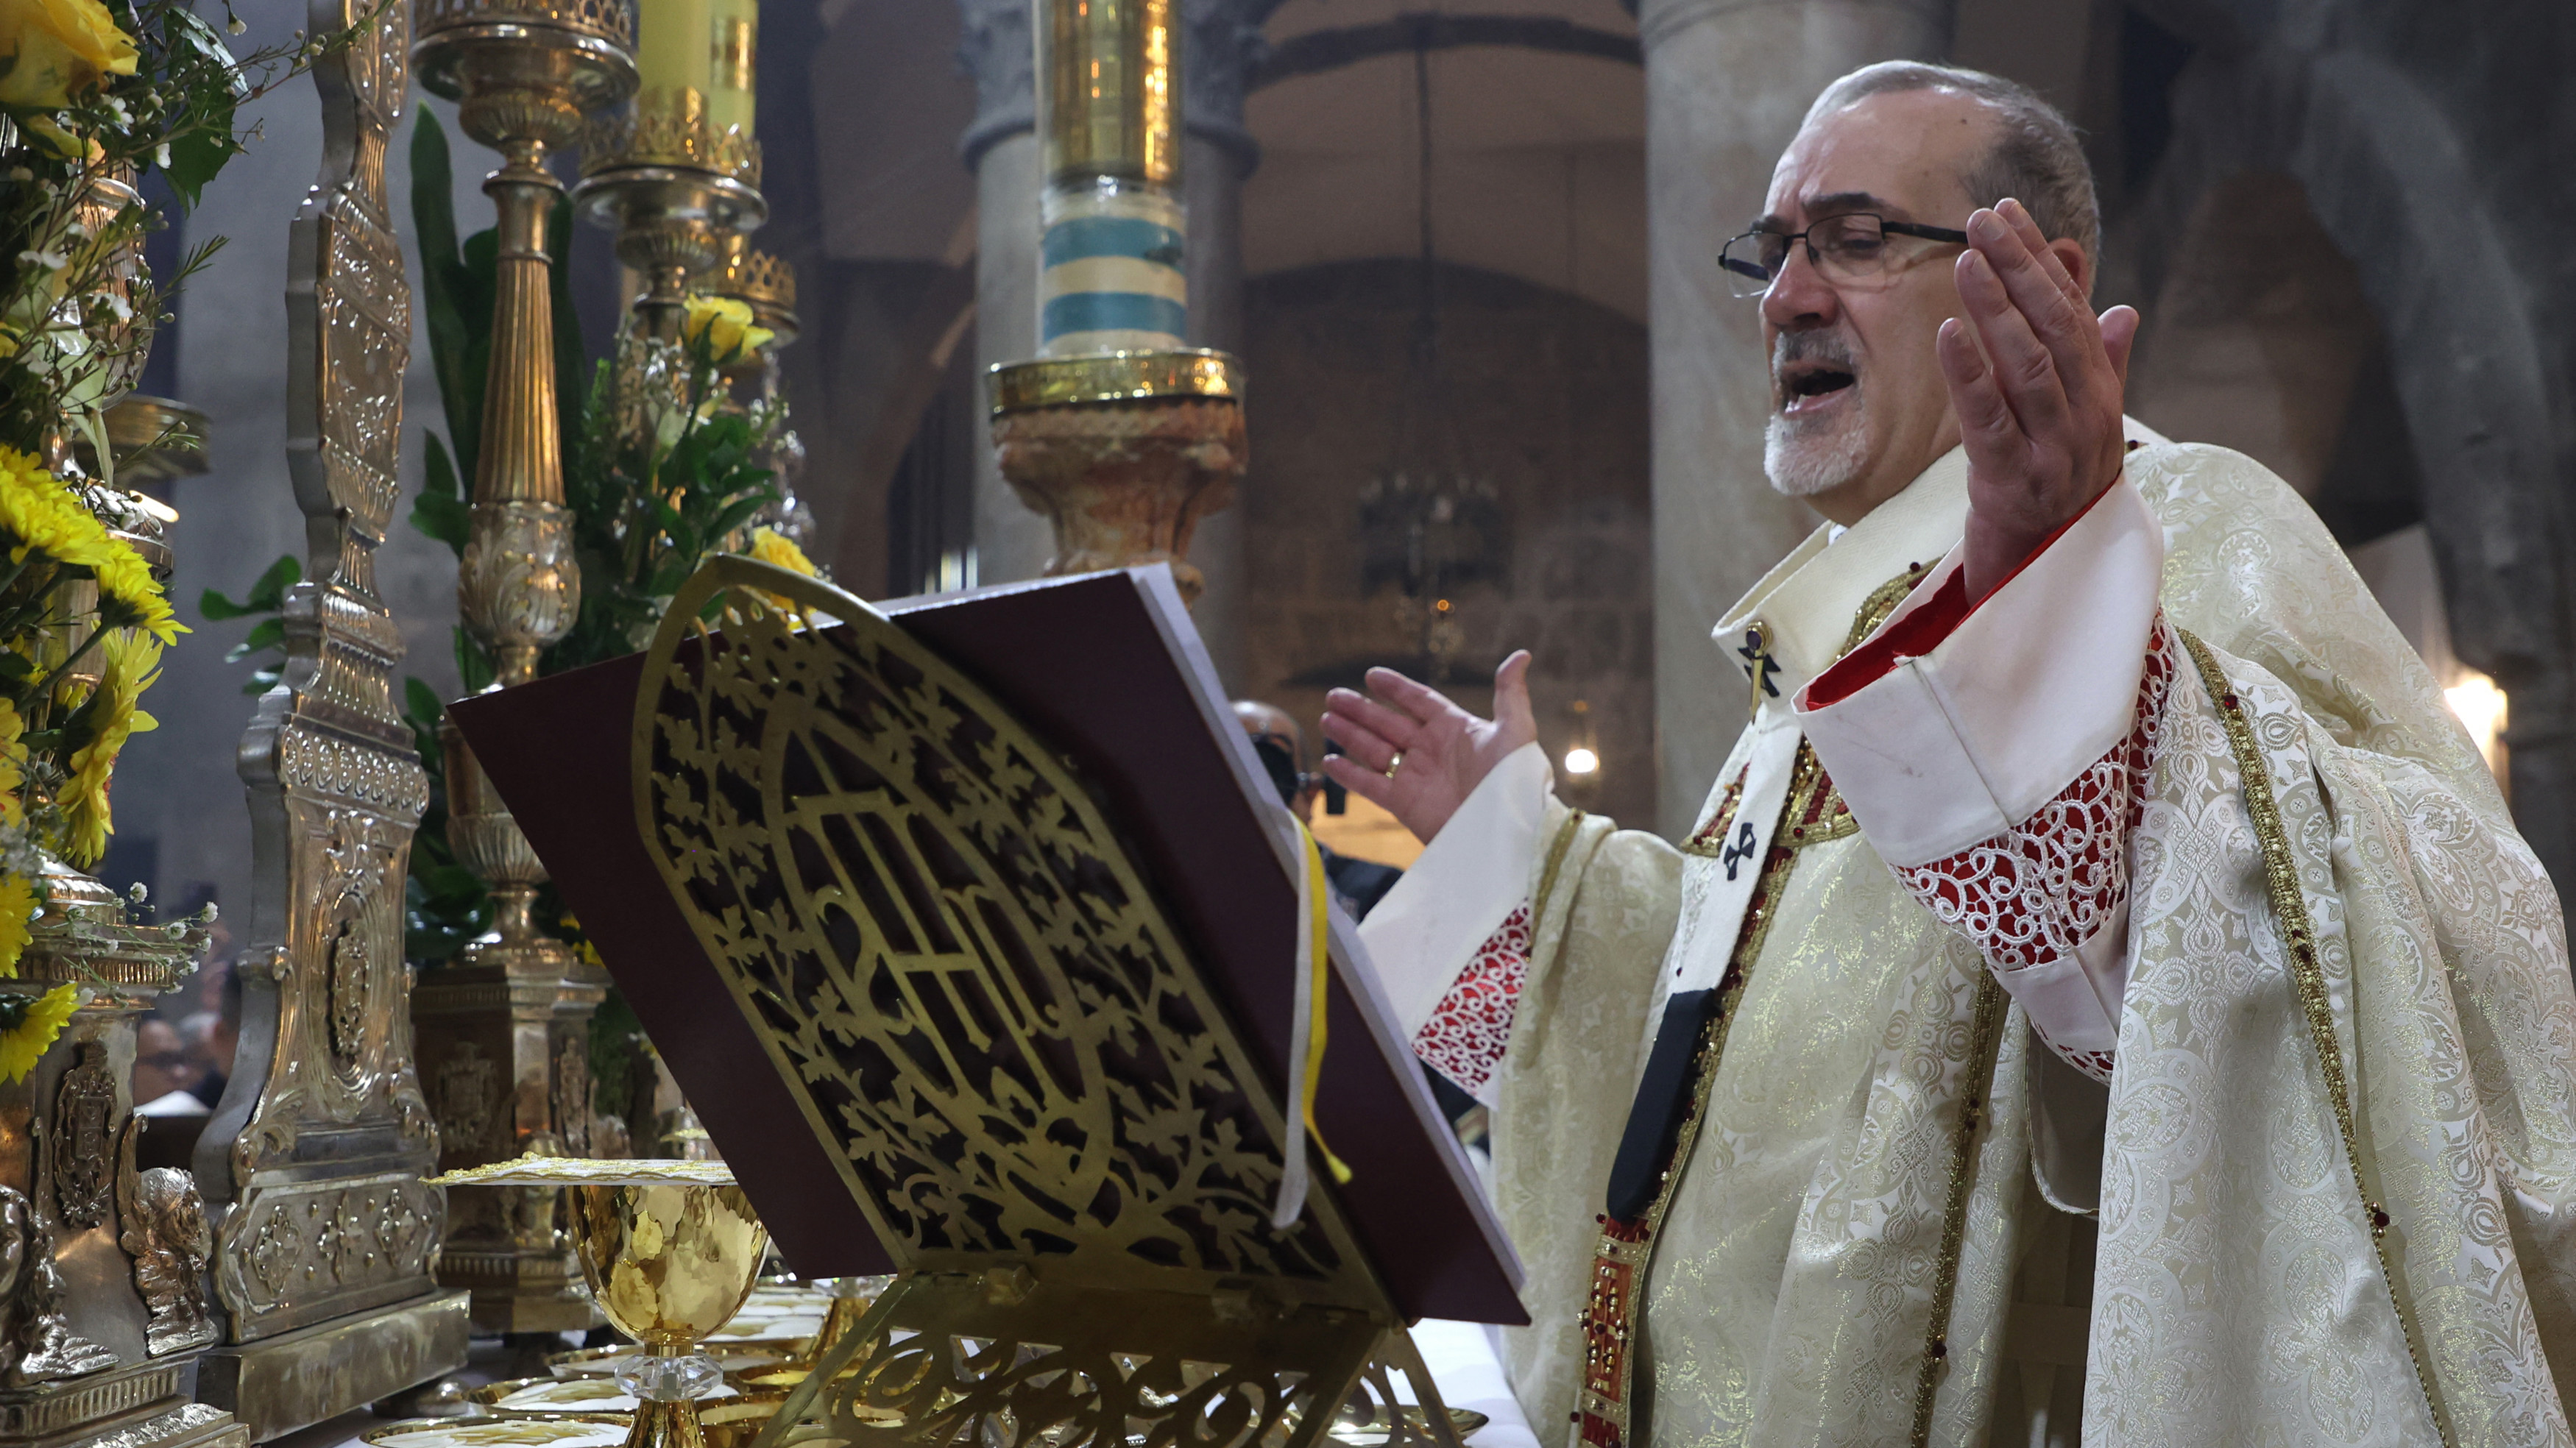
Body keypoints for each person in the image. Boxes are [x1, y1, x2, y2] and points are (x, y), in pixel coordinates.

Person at [1326, 60, 2576, 1447]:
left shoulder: (2191, 528)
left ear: (2042, 279)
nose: (1789, 297)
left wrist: (2067, 647)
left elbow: (2412, 950)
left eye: (1856, 238)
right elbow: (1741, 1022)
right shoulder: (1817, 638)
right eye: (1774, 250)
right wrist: (1535, 876)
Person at [1231, 699, 1404, 920]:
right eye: (1230, 775)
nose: (1250, 795)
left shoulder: (1379, 893)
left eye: (1270, 773)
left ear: (1310, 794)